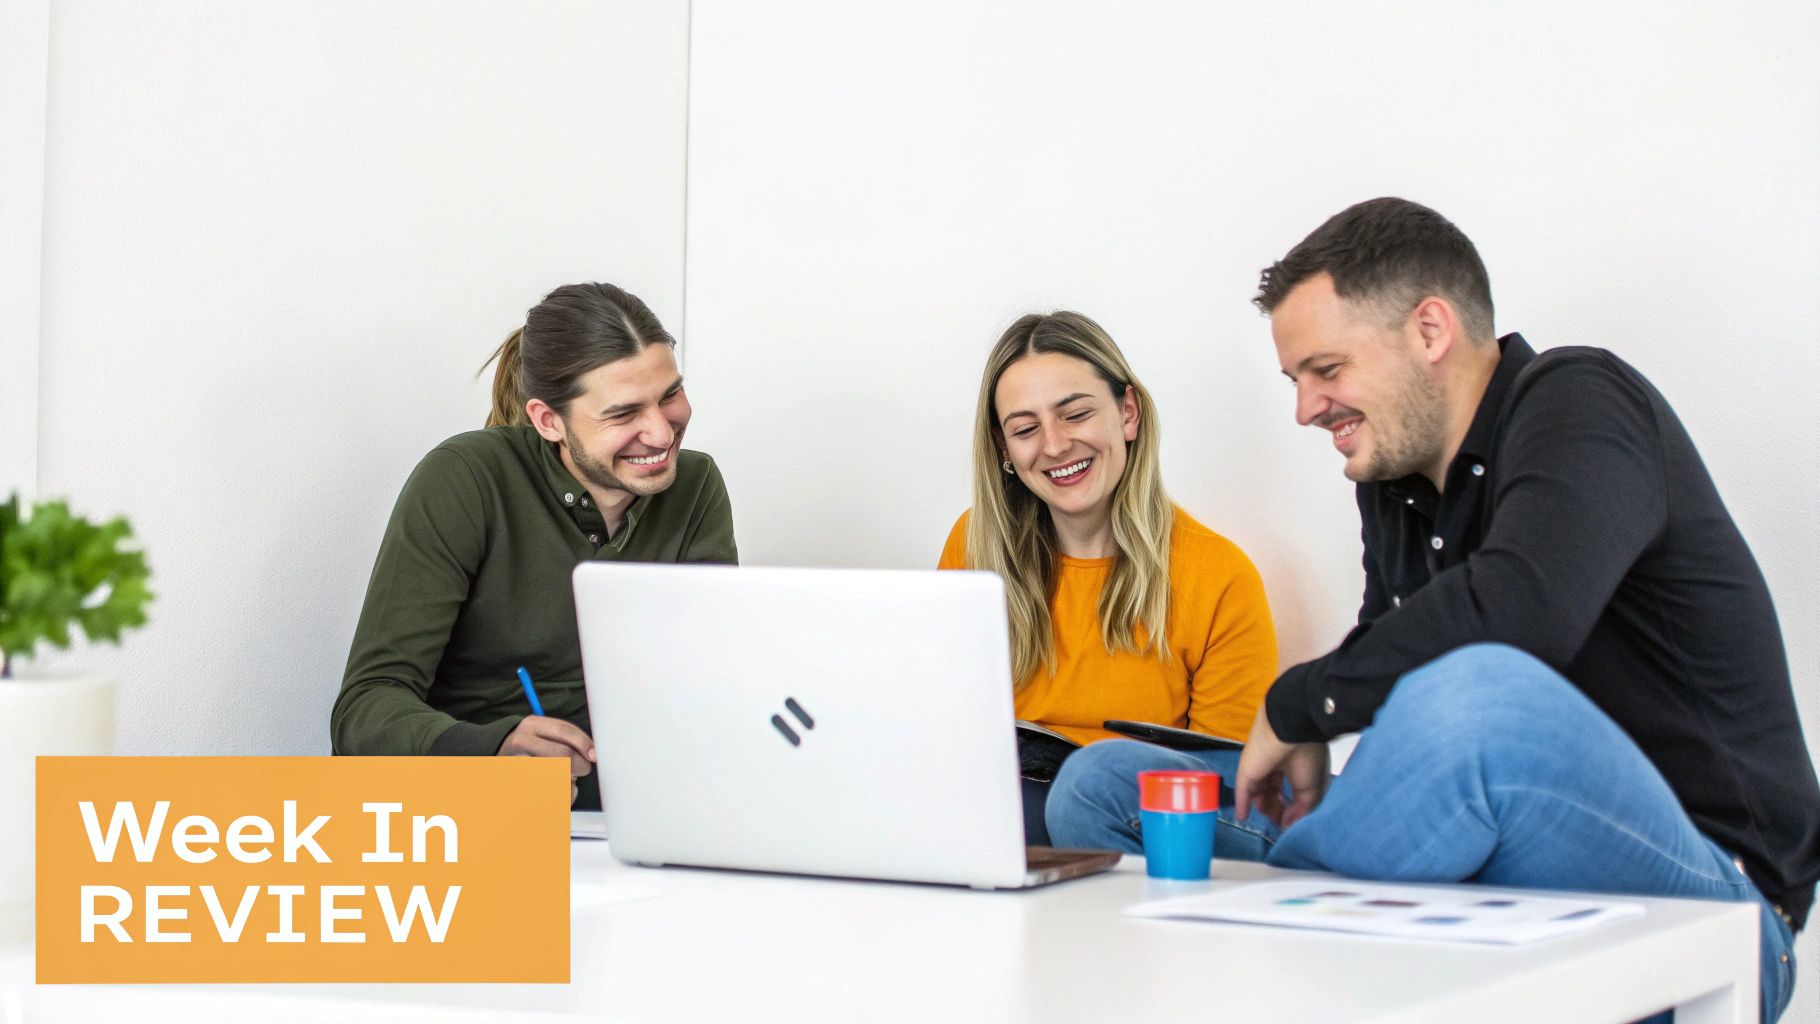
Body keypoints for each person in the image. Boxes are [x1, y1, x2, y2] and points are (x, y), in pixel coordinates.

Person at [1212, 197, 1812, 1021]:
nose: (1306, 409)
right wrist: (1319, 727)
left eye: (1327, 370)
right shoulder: (1393, 479)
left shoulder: (1579, 399)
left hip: (1714, 898)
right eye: (1294, 381)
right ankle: (1290, 904)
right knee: (1102, 786)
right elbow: (1389, 653)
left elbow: (1518, 618)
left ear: (1430, 330)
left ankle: (1264, 939)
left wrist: (1299, 704)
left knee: (1480, 701)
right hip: (1511, 884)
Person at [332, 282, 737, 809]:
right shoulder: (465, 479)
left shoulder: (695, 485)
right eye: (623, 414)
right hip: (473, 820)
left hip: (639, 816)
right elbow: (363, 711)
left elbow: (714, 677)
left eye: (669, 396)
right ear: (549, 420)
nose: (662, 434)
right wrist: (491, 748)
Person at [937, 311, 1277, 846]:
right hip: (996, 815)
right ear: (1005, 451)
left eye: (1074, 414)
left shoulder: (1219, 576)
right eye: (1025, 429)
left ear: (1128, 413)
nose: (1053, 445)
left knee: (1084, 786)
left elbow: (1224, 791)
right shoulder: (974, 546)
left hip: (1140, 825)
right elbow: (940, 719)